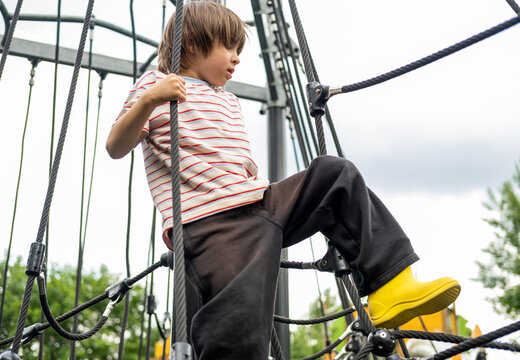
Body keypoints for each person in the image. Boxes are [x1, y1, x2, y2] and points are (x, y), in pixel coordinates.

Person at [106, 2, 461, 359]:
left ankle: (390, 285)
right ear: (194, 44)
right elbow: (116, 146)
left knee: (335, 173)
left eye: (238, 50)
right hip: (214, 227)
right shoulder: (156, 87)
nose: (236, 59)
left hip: (260, 202)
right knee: (237, 330)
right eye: (228, 48)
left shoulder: (227, 99)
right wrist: (150, 100)